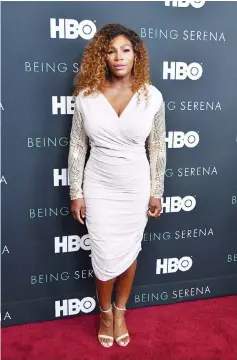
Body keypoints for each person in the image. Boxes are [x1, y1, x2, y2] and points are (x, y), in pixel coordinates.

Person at [68, 23, 166, 348]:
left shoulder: (152, 97)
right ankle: (105, 312)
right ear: (103, 57)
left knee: (128, 251)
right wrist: (75, 192)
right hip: (98, 185)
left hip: (135, 187)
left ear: (136, 55)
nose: (118, 56)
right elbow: (78, 146)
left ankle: (121, 311)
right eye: (111, 51)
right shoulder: (86, 97)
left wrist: (157, 190)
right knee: (103, 254)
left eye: (125, 49)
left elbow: (157, 148)